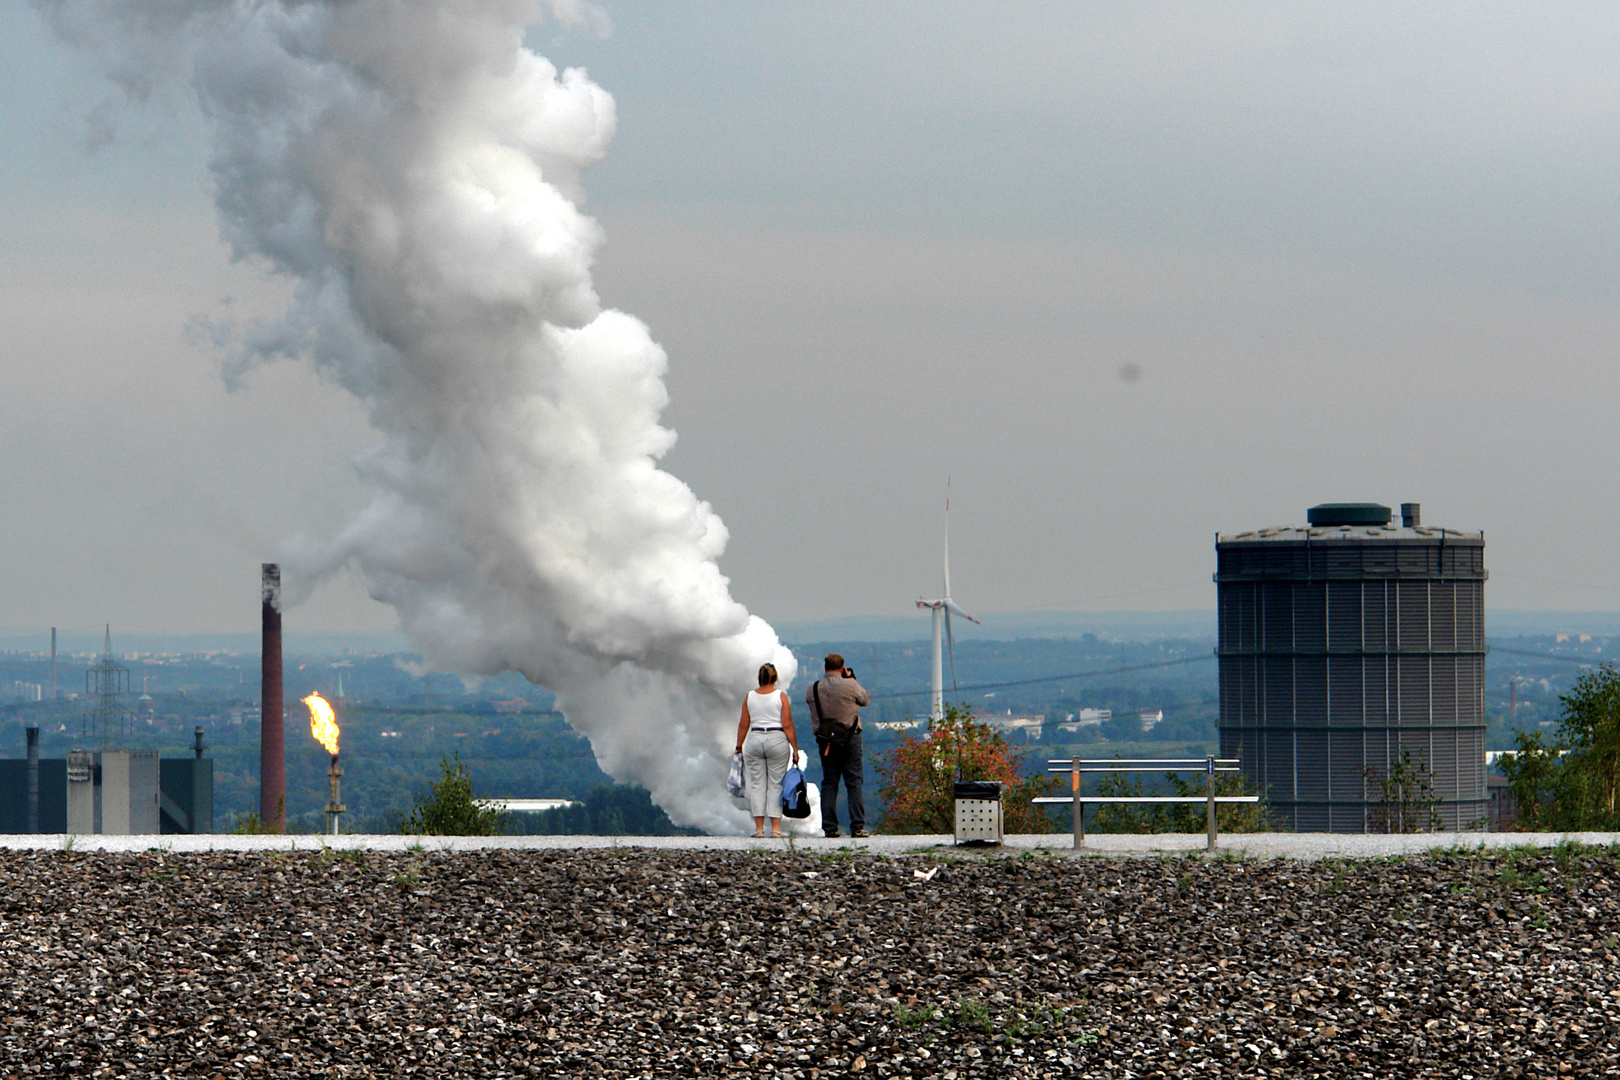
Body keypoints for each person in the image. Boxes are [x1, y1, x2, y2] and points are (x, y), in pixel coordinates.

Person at [805, 652, 870, 837]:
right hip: (850, 737)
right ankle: (857, 826)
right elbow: (865, 699)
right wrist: (852, 679)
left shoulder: (813, 688)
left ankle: (829, 827)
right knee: (854, 781)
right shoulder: (850, 685)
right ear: (842, 668)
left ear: (824, 668)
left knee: (830, 782)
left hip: (826, 741)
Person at [735, 662, 799, 838]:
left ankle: (758, 828)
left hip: (755, 739)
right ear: (775, 678)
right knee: (775, 784)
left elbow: (743, 724)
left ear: (759, 678)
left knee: (757, 785)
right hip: (776, 739)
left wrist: (739, 745)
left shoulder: (749, 697)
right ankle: (776, 829)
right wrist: (795, 747)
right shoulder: (781, 696)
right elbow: (787, 724)